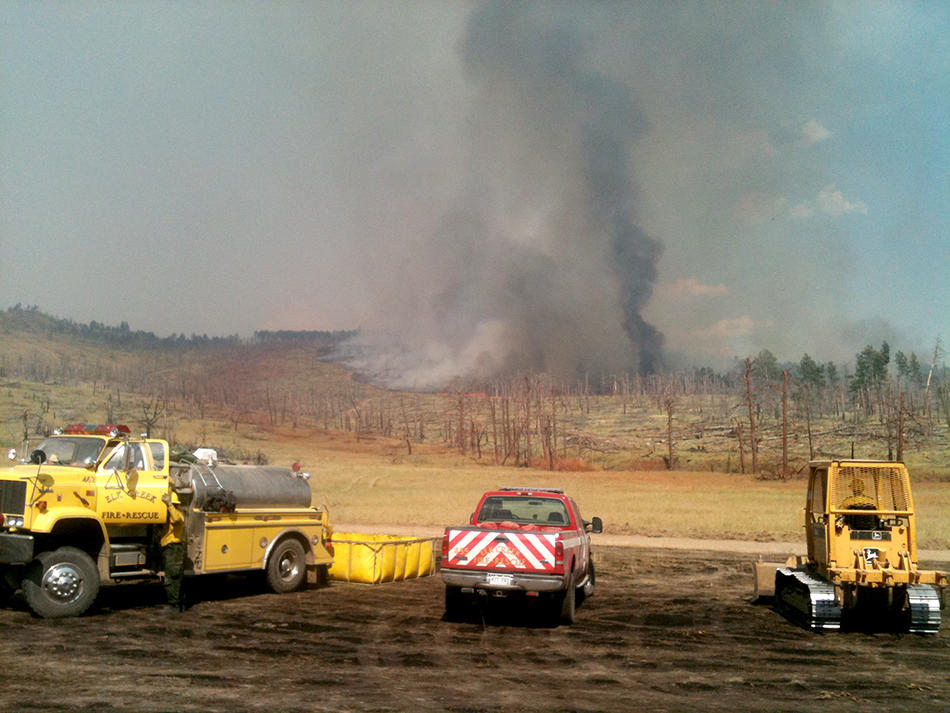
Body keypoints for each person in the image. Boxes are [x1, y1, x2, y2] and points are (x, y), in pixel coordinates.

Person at [160, 488, 186, 612]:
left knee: (172, 577)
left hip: (174, 549)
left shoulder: (177, 515)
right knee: (173, 576)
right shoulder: (172, 514)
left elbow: (176, 519)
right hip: (171, 549)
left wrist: (169, 505)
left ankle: (174, 605)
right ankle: (179, 604)